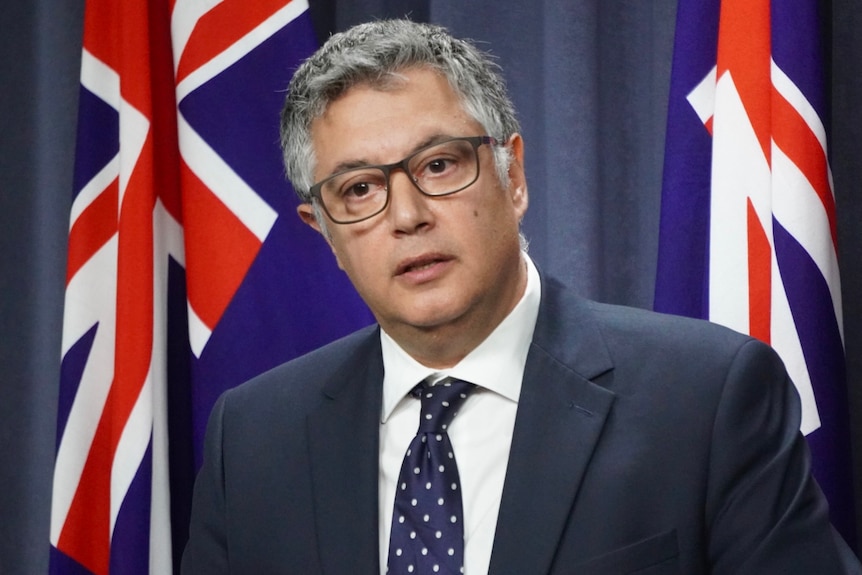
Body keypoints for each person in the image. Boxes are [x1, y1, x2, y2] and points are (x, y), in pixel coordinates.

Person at [182, 19, 860, 575]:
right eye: (359, 189)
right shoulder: (251, 437)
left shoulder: (707, 398)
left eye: (439, 165)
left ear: (514, 176)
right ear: (323, 230)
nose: (408, 214)